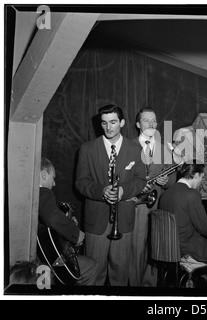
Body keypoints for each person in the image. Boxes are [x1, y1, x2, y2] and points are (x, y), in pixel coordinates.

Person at [75, 104, 147, 286]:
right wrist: (101, 191)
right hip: (96, 222)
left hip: (124, 221)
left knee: (121, 275)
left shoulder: (135, 149)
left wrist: (123, 191)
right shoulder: (87, 149)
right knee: (93, 274)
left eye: (113, 122)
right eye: (104, 123)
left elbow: (141, 180)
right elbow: (80, 183)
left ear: (122, 122)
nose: (108, 127)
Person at [129, 107, 177, 287]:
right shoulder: (128, 145)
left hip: (157, 207)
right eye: (146, 120)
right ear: (138, 124)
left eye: (154, 120)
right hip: (137, 207)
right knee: (136, 250)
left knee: (154, 250)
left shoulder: (164, 148)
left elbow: (172, 179)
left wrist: (165, 180)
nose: (151, 124)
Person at [38, 157, 98, 286]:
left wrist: (66, 220)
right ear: (44, 175)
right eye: (53, 178)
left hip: (39, 257)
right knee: (91, 266)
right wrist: (76, 234)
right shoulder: (43, 192)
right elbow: (52, 218)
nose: (54, 184)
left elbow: (47, 221)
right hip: (44, 261)